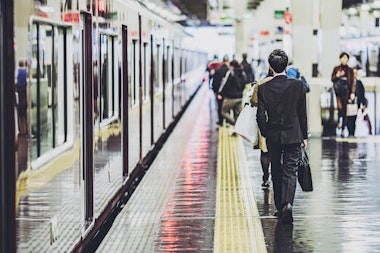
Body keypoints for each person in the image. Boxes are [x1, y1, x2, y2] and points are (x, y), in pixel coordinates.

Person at [256, 49, 308, 224]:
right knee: (290, 170)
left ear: (270, 67)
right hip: (294, 134)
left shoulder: (263, 87)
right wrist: (304, 136)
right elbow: (302, 113)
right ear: (287, 65)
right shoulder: (298, 85)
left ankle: (279, 206)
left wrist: (265, 132)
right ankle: (288, 204)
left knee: (276, 170)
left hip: (273, 136)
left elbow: (260, 115)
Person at [250, 69, 273, 188]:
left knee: (265, 151)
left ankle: (265, 177)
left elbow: (254, 101)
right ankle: (277, 175)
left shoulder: (260, 83)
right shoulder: (289, 83)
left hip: (265, 120)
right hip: (283, 121)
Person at [331, 52, 355, 137]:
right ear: (340, 59)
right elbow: (332, 79)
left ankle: (343, 129)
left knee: (345, 111)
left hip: (346, 92)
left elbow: (352, 82)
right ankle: (338, 121)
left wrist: (352, 93)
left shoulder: (350, 70)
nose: (344, 60)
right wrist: (337, 75)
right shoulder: (336, 68)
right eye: (343, 58)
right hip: (338, 92)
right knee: (339, 108)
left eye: (346, 58)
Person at [218, 59, 247, 126]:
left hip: (230, 97)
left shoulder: (231, 73)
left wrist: (221, 93)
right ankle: (236, 130)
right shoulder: (243, 73)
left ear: (232, 66)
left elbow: (225, 84)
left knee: (223, 112)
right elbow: (244, 84)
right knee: (237, 115)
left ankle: (235, 124)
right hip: (239, 97)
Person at [347, 67, 365, 136]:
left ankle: (352, 132)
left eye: (356, 73)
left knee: (354, 119)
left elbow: (362, 94)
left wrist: (363, 104)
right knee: (348, 119)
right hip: (348, 104)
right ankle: (349, 132)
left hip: (356, 103)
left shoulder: (359, 83)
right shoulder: (348, 82)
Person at [212, 56, 230, 125]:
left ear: (222, 62)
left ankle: (221, 121)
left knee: (220, 107)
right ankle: (227, 121)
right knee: (227, 108)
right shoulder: (230, 70)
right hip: (228, 93)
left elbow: (214, 82)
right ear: (228, 62)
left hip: (219, 92)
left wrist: (215, 91)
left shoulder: (217, 70)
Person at [17, 60, 28, 134]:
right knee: (24, 112)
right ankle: (26, 129)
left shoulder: (18, 72)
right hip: (24, 91)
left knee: (20, 113)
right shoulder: (25, 72)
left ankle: (21, 129)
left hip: (20, 92)